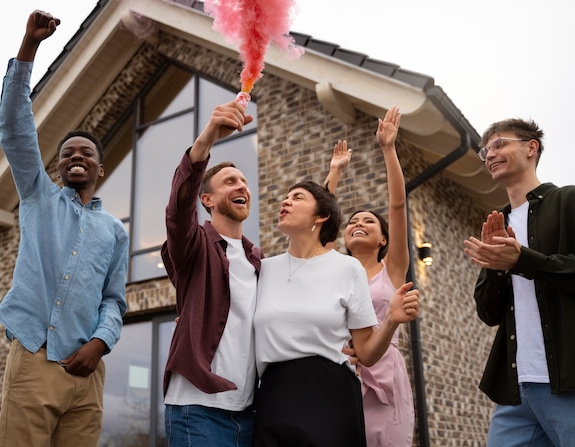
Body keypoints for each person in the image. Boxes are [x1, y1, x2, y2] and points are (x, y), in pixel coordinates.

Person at [0, 10, 129, 447]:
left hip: (87, 373)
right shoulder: (38, 194)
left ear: (100, 168)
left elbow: (113, 299)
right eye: (68, 151)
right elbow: (15, 127)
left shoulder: (115, 231)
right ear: (56, 165)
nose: (76, 156)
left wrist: (101, 343)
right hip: (35, 358)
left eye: (86, 152)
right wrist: (29, 46)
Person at [463, 118, 575, 446]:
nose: (490, 154)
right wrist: (498, 267)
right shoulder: (497, 223)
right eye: (486, 150)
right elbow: (488, 312)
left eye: (500, 144)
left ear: (531, 147)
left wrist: (524, 261)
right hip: (515, 391)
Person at [252, 180, 420, 446]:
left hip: (330, 394)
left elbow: (366, 352)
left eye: (297, 197)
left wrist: (390, 321)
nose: (285, 201)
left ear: (320, 217)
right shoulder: (262, 270)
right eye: (286, 197)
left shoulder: (347, 268)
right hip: (273, 396)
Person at [161, 100, 262, 446]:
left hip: (251, 412)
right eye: (230, 181)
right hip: (196, 410)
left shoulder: (259, 260)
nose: (241, 187)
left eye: (245, 182)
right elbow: (178, 212)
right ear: (207, 199)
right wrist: (205, 141)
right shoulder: (195, 245)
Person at [340, 106, 418, 446]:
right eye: (352, 221)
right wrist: (333, 172)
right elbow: (315, 228)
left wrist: (388, 148)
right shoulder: (335, 273)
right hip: (344, 377)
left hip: (385, 381)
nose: (358, 223)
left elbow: (398, 205)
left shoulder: (393, 268)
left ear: (383, 239)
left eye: (368, 221)